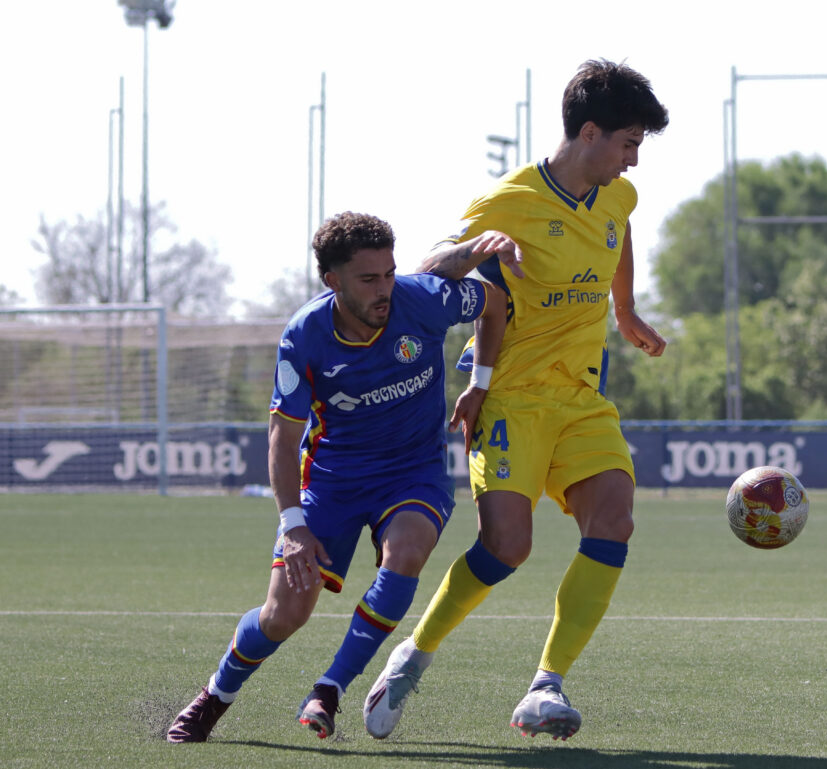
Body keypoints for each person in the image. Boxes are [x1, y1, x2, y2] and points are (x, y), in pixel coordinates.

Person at [363, 58, 669, 741]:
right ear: (589, 133)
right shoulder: (513, 200)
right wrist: (476, 247)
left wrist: (624, 309)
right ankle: (412, 655)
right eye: (628, 144)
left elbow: (618, 237)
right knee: (506, 545)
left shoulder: (617, 196)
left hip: (582, 398)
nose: (633, 162)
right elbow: (426, 270)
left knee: (613, 518)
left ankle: (545, 685)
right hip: (510, 397)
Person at [166, 211, 515, 742]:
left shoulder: (422, 299)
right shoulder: (304, 336)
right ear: (332, 281)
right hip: (333, 479)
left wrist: (480, 383)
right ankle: (215, 695)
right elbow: (283, 438)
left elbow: (494, 301)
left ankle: (329, 688)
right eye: (368, 279)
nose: (385, 290)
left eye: (390, 273)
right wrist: (293, 524)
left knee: (407, 554)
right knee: (284, 615)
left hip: (413, 472)